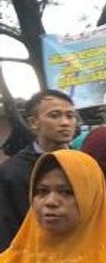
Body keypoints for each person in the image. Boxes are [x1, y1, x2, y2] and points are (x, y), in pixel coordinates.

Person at [0, 89, 77, 251]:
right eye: (55, 115)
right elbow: (8, 230)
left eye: (70, 116)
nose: (65, 122)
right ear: (33, 123)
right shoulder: (12, 172)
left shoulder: (84, 165)